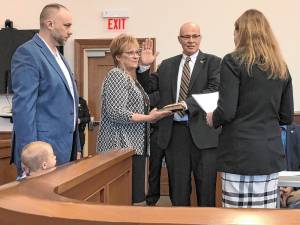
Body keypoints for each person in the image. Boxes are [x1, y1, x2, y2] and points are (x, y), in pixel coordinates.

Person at [206, 9, 294, 208]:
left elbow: (227, 110)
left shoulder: (232, 61)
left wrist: (213, 118)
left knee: (236, 216)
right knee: (266, 217)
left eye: (235, 31)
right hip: (269, 154)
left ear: (241, 32)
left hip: (239, 153)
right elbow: (287, 116)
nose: (234, 36)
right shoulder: (281, 66)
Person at [138, 22, 221, 206]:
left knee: (206, 190)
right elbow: (148, 90)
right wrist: (144, 68)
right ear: (179, 39)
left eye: (195, 36)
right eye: (186, 37)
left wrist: (186, 104)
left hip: (204, 135)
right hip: (175, 134)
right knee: (179, 191)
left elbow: (214, 90)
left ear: (200, 38)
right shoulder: (167, 65)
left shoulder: (213, 63)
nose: (191, 41)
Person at [96, 34, 171, 205]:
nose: (136, 55)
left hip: (133, 148)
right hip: (119, 149)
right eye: (130, 52)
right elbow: (116, 112)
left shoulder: (131, 79)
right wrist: (149, 117)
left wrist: (152, 115)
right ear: (118, 56)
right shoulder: (116, 75)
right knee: (124, 202)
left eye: (136, 51)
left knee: (135, 199)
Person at [11, 3, 80, 176]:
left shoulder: (60, 58)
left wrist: (76, 145)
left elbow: (70, 106)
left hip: (64, 148)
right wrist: (31, 158)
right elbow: (23, 109)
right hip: (41, 155)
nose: (70, 30)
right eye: (66, 25)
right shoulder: (28, 53)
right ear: (50, 24)